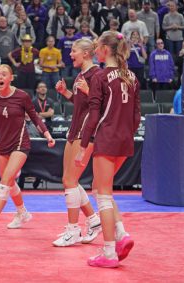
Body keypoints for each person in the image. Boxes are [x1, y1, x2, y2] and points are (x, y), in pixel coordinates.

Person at [76, 31, 140, 268]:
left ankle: (110, 252)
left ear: (104, 49)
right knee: (102, 190)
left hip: (107, 138)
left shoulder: (101, 77)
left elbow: (93, 116)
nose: (95, 51)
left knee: (102, 194)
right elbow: (136, 116)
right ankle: (122, 234)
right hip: (125, 141)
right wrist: (125, 135)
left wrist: (83, 147)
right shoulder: (132, 77)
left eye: (97, 47)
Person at [0, 64, 55, 235]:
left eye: (4, 74)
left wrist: (47, 134)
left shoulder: (22, 96)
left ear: (11, 78)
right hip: (3, 144)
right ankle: (22, 213)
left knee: (4, 183)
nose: (0, 77)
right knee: (9, 182)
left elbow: (35, 116)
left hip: (20, 144)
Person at [54, 38, 102, 247]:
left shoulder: (98, 74)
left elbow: (102, 106)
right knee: (68, 180)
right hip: (74, 130)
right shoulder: (81, 75)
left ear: (85, 53)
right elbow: (82, 103)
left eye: (73, 51)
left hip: (86, 133)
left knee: (70, 181)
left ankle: (73, 229)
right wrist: (66, 93)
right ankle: (93, 220)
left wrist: (88, 92)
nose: (70, 54)